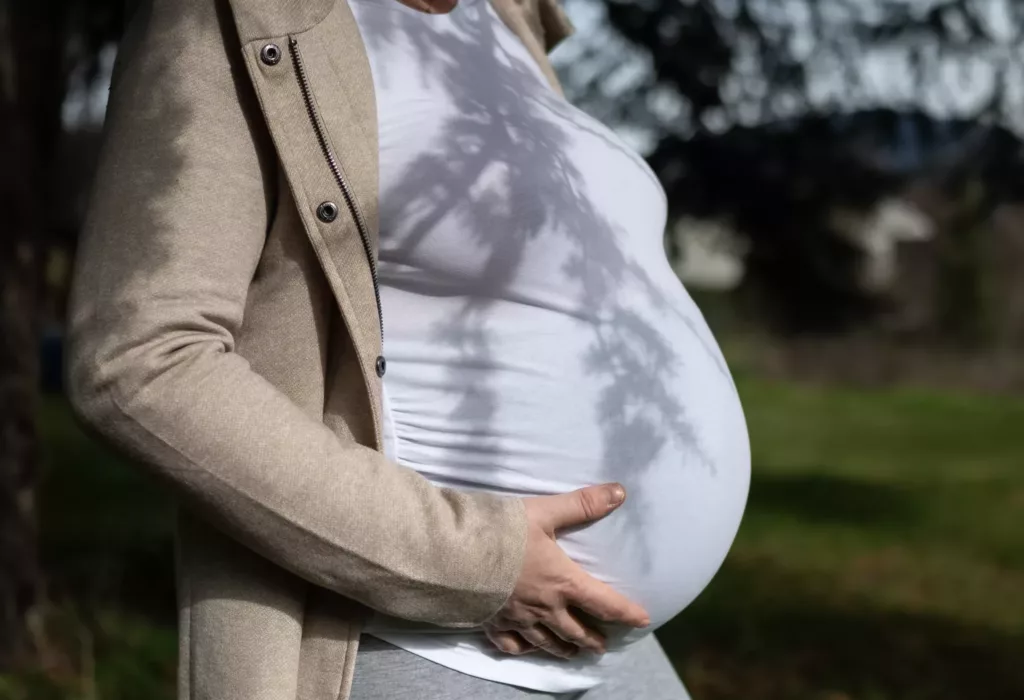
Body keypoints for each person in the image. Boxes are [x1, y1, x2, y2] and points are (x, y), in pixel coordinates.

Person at [66, 0, 750, 697]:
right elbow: (141, 360)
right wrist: (477, 561)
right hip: (421, 643)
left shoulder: (506, 21)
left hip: (611, 650)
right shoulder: (234, 16)